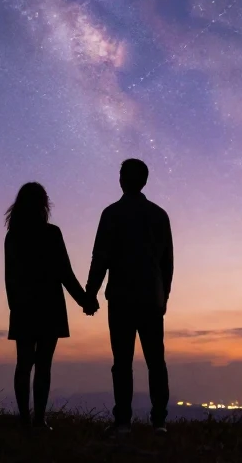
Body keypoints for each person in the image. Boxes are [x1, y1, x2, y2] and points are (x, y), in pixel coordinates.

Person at [85, 158, 174, 433]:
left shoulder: (112, 214)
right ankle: (158, 422)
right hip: (150, 298)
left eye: (122, 173)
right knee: (155, 362)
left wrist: (91, 293)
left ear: (124, 180)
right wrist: (164, 297)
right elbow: (167, 263)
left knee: (122, 362)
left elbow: (100, 257)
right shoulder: (159, 215)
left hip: (122, 298)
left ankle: (123, 421)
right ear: (144, 181)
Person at [4, 182, 97, 429]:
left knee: (24, 363)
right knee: (43, 364)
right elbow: (65, 273)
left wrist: (15, 306)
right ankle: (38, 420)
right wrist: (85, 300)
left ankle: (26, 419)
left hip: (23, 307)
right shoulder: (51, 233)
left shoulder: (14, 236)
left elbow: (10, 277)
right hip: (49, 306)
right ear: (44, 204)